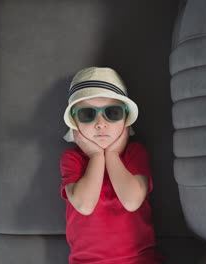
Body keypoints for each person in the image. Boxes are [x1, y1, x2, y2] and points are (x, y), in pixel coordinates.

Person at [60, 67, 165, 264]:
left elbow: (132, 201)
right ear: (74, 123)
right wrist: (95, 155)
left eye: (112, 112)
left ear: (125, 121)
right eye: (87, 114)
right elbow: (84, 204)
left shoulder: (134, 153)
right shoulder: (72, 159)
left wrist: (113, 154)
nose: (101, 123)